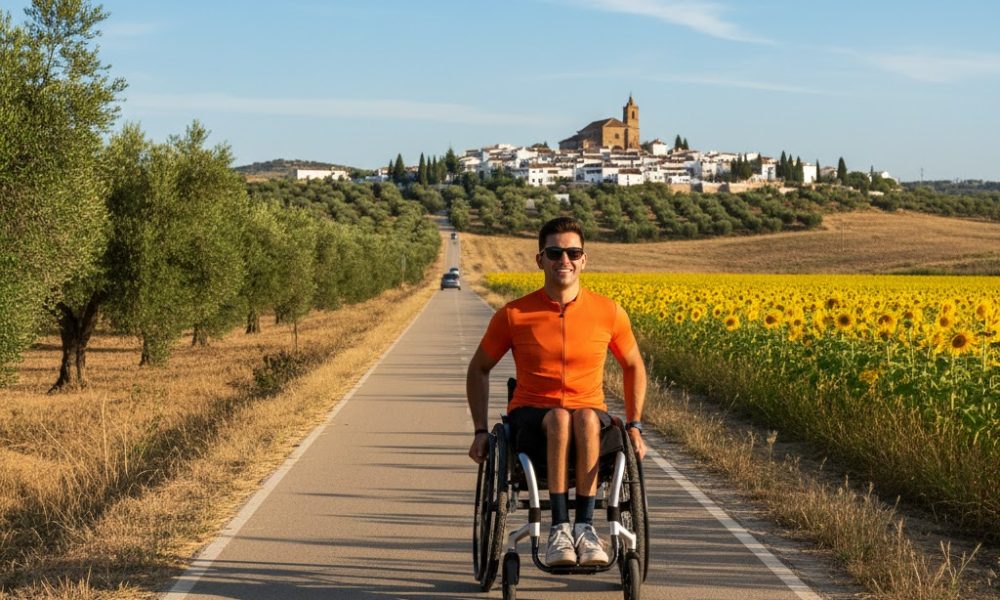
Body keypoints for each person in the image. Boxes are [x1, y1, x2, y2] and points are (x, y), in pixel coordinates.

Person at [467, 216, 647, 568]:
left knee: (581, 417)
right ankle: (559, 529)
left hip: (589, 417)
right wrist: (478, 431)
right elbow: (479, 368)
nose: (564, 260)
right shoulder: (515, 314)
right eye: (554, 252)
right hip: (531, 420)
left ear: (584, 259)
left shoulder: (608, 311)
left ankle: (585, 528)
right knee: (563, 417)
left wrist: (636, 424)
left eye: (572, 252)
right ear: (540, 259)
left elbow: (634, 366)